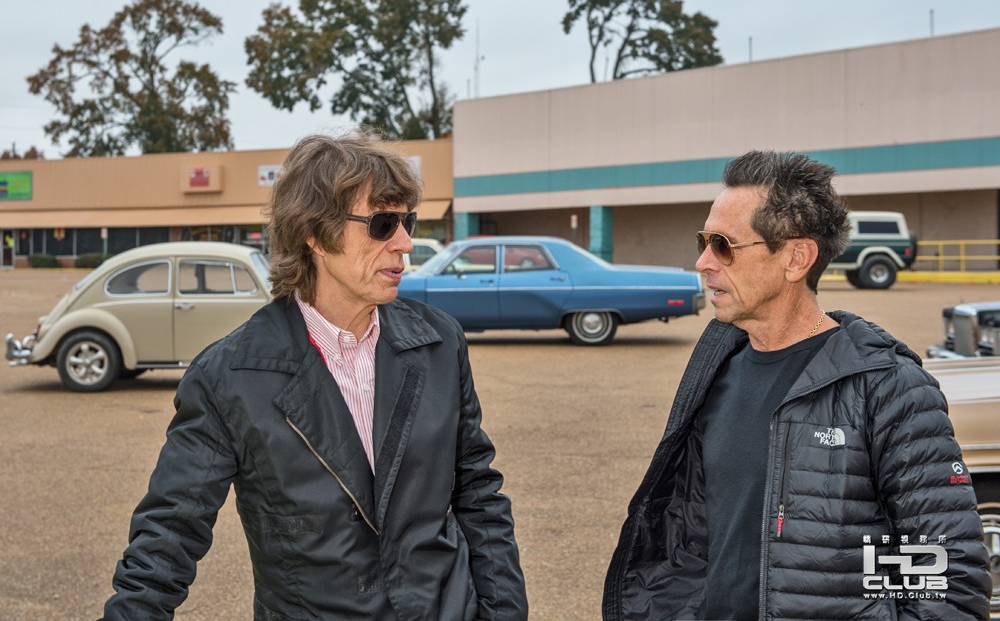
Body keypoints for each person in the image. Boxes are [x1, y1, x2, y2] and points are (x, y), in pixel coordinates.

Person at [102, 134, 528, 620]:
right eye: (383, 224)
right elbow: (168, 536)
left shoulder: (439, 342)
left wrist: (503, 612)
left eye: (407, 221)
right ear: (315, 233)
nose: (405, 243)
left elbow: (478, 491)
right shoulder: (228, 376)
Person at [603, 151, 991, 620]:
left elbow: (947, 584)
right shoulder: (715, 371)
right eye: (703, 241)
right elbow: (690, 545)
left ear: (796, 258)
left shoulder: (889, 388)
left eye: (723, 245)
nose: (703, 262)